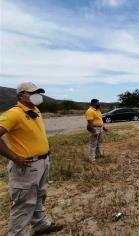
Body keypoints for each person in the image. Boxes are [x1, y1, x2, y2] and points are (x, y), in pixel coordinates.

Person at [0, 82, 63, 235]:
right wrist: (15, 158)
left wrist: (45, 150)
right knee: (24, 203)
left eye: (38, 92)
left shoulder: (35, 111)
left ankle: (40, 225)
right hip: (26, 166)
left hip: (42, 162)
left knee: (40, 196)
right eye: (32, 92)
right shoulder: (14, 113)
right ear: (21, 95)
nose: (37, 95)